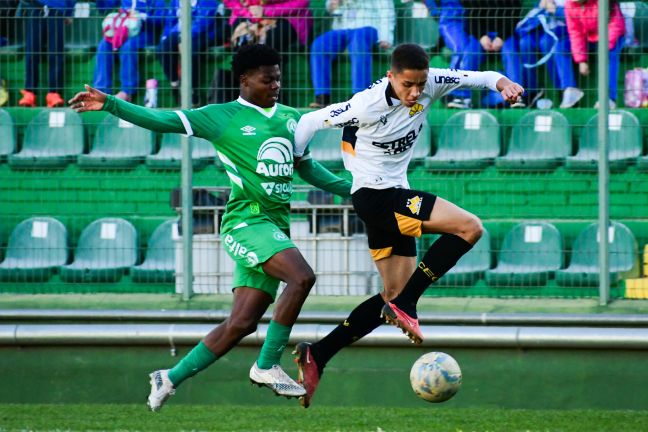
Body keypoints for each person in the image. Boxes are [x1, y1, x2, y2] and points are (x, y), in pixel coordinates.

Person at [69, 44, 352, 412]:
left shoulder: (290, 118)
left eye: (279, 78)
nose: (275, 85)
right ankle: (266, 365)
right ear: (245, 79)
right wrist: (111, 104)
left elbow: (308, 168)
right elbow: (164, 119)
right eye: (267, 79)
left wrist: (354, 188)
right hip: (245, 222)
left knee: (242, 323)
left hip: (275, 227)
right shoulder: (221, 116)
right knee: (301, 278)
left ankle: (168, 377)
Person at [292, 43, 523, 407]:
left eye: (419, 84)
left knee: (390, 293)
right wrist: (295, 161)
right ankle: (408, 305)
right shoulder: (366, 103)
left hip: (389, 196)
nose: (415, 93)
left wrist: (504, 84)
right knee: (469, 228)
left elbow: (481, 77)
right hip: (376, 197)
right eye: (407, 85)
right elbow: (307, 122)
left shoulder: (431, 82)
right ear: (391, 76)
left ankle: (319, 354)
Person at [308, 0, 395, 108]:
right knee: (319, 45)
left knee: (358, 43)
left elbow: (386, 10)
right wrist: (332, 4)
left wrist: (385, 37)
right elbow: (330, 7)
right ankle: (322, 96)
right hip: (342, 27)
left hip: (367, 25)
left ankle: (359, 96)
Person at [513, 0, 584, 109]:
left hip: (565, 30)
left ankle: (562, 89)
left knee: (546, 43)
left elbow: (578, 18)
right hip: (544, 27)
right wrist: (541, 5)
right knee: (525, 43)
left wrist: (555, 10)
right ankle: (533, 91)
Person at [156, 0, 228, 106]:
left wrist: (183, 36)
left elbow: (204, 23)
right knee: (163, 48)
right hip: (179, 32)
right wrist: (166, 36)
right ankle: (175, 83)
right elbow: (169, 22)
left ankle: (193, 91)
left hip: (205, 33)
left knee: (191, 51)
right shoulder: (175, 1)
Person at [93, 0, 166, 102]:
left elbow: (161, 19)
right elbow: (105, 7)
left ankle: (127, 91)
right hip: (123, 30)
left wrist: (142, 16)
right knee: (103, 45)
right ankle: (101, 90)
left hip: (146, 33)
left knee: (128, 46)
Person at [565, 0, 625, 108]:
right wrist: (581, 60)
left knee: (610, 55)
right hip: (589, 38)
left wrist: (604, 47)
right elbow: (575, 32)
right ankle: (570, 90)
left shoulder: (605, 2)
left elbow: (615, 26)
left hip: (611, 36)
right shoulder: (569, 4)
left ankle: (608, 98)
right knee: (561, 47)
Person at [18, 0, 75, 108]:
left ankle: (53, 94)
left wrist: (69, 12)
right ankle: (29, 93)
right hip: (36, 7)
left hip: (57, 9)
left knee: (56, 53)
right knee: (32, 52)